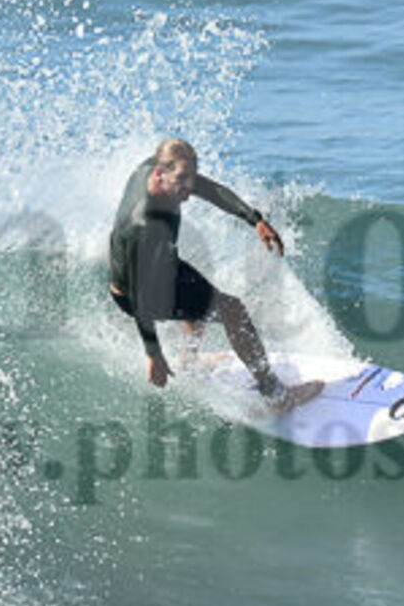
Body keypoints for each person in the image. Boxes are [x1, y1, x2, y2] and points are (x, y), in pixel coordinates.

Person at [108, 139, 320, 411]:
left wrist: (254, 219)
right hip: (136, 293)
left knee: (199, 297)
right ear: (160, 173)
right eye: (182, 180)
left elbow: (210, 190)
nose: (189, 188)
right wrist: (154, 354)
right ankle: (276, 396)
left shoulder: (162, 172)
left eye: (191, 178)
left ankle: (189, 362)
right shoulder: (145, 224)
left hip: (161, 267)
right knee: (233, 311)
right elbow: (140, 297)